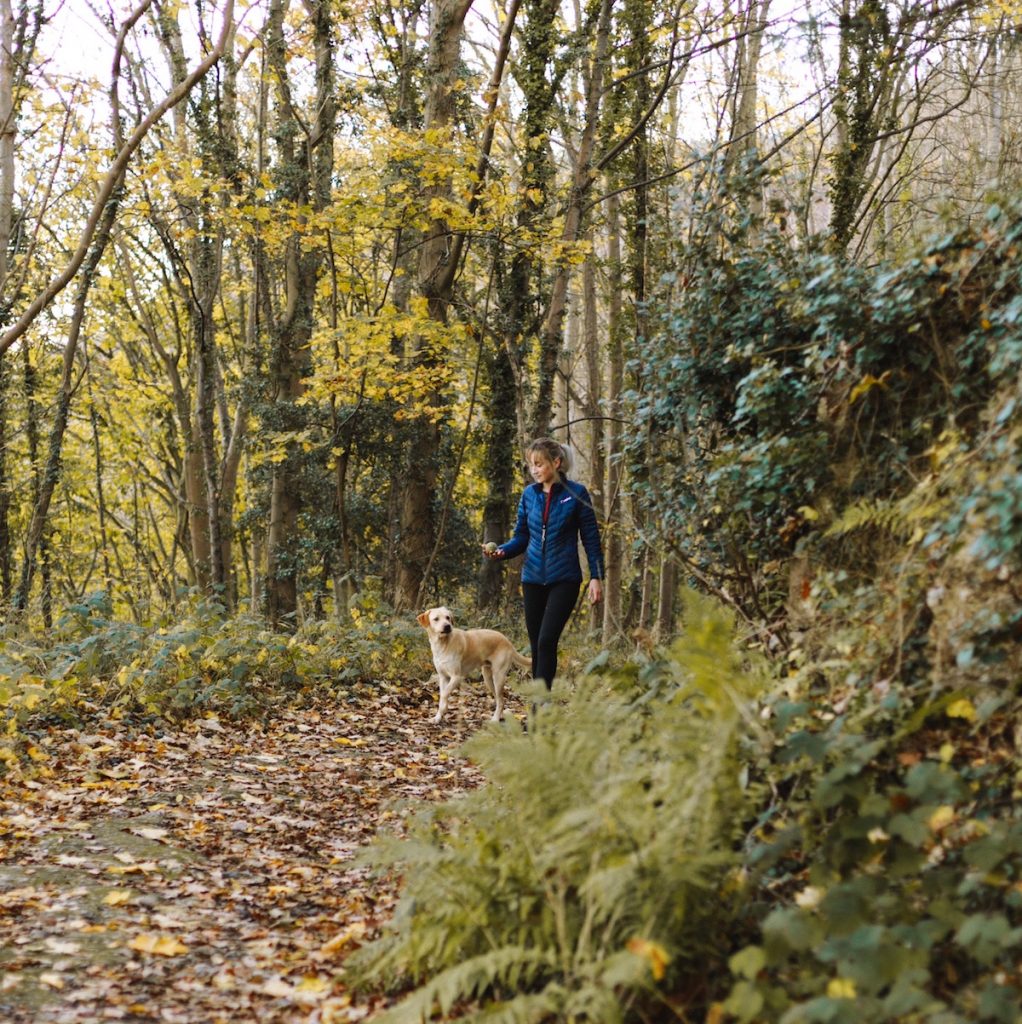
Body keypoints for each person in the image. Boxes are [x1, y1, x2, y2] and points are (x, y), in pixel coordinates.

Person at [482, 438, 603, 688]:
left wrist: (596, 576)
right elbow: (522, 537)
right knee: (537, 644)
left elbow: (591, 538)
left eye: (539, 464)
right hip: (533, 579)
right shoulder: (529, 495)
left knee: (547, 640)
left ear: (556, 463)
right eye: (531, 465)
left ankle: (540, 706)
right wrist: (502, 552)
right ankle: (538, 709)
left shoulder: (576, 494)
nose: (534, 469)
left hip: (565, 579)